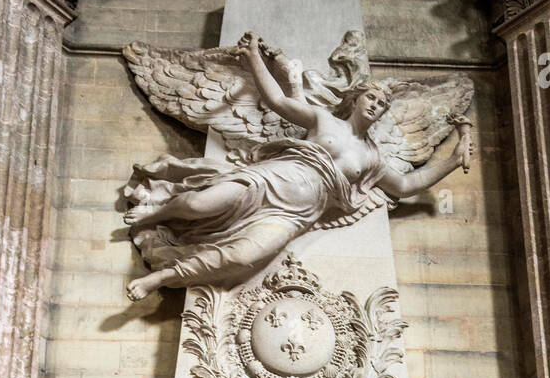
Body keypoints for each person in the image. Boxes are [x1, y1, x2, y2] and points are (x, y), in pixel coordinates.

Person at [125, 32, 472, 300]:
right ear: (356, 98)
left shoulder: (373, 158)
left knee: (244, 257)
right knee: (198, 204)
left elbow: (409, 185)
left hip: (294, 215)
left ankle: (163, 278)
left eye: (382, 105)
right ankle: (153, 216)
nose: (376, 106)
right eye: (372, 98)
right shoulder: (323, 121)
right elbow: (276, 100)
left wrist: (454, 160)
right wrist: (253, 58)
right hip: (269, 180)